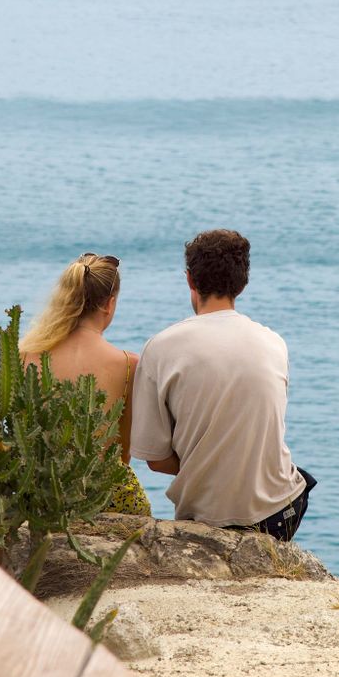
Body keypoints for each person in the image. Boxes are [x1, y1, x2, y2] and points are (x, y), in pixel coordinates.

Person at [130, 229, 313, 541]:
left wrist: (206, 464)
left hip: (205, 517)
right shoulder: (273, 342)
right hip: (277, 514)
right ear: (242, 283)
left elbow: (156, 459)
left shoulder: (161, 347)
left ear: (190, 279)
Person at [21, 253, 152, 517]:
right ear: (109, 304)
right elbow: (123, 453)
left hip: (43, 490)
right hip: (108, 495)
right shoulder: (129, 365)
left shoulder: (25, 356)